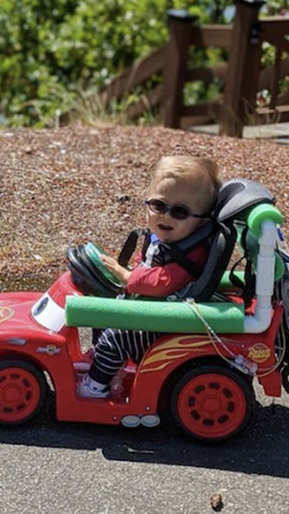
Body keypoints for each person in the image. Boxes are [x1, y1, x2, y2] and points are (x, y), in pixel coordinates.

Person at [77, 155, 221, 399]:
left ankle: (94, 387)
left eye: (180, 212)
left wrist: (127, 277)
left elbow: (163, 283)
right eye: (159, 206)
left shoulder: (191, 253)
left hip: (167, 322)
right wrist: (128, 275)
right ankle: (107, 363)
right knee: (106, 311)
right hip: (153, 310)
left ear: (200, 222)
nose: (166, 216)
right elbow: (145, 263)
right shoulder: (165, 239)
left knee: (114, 339)